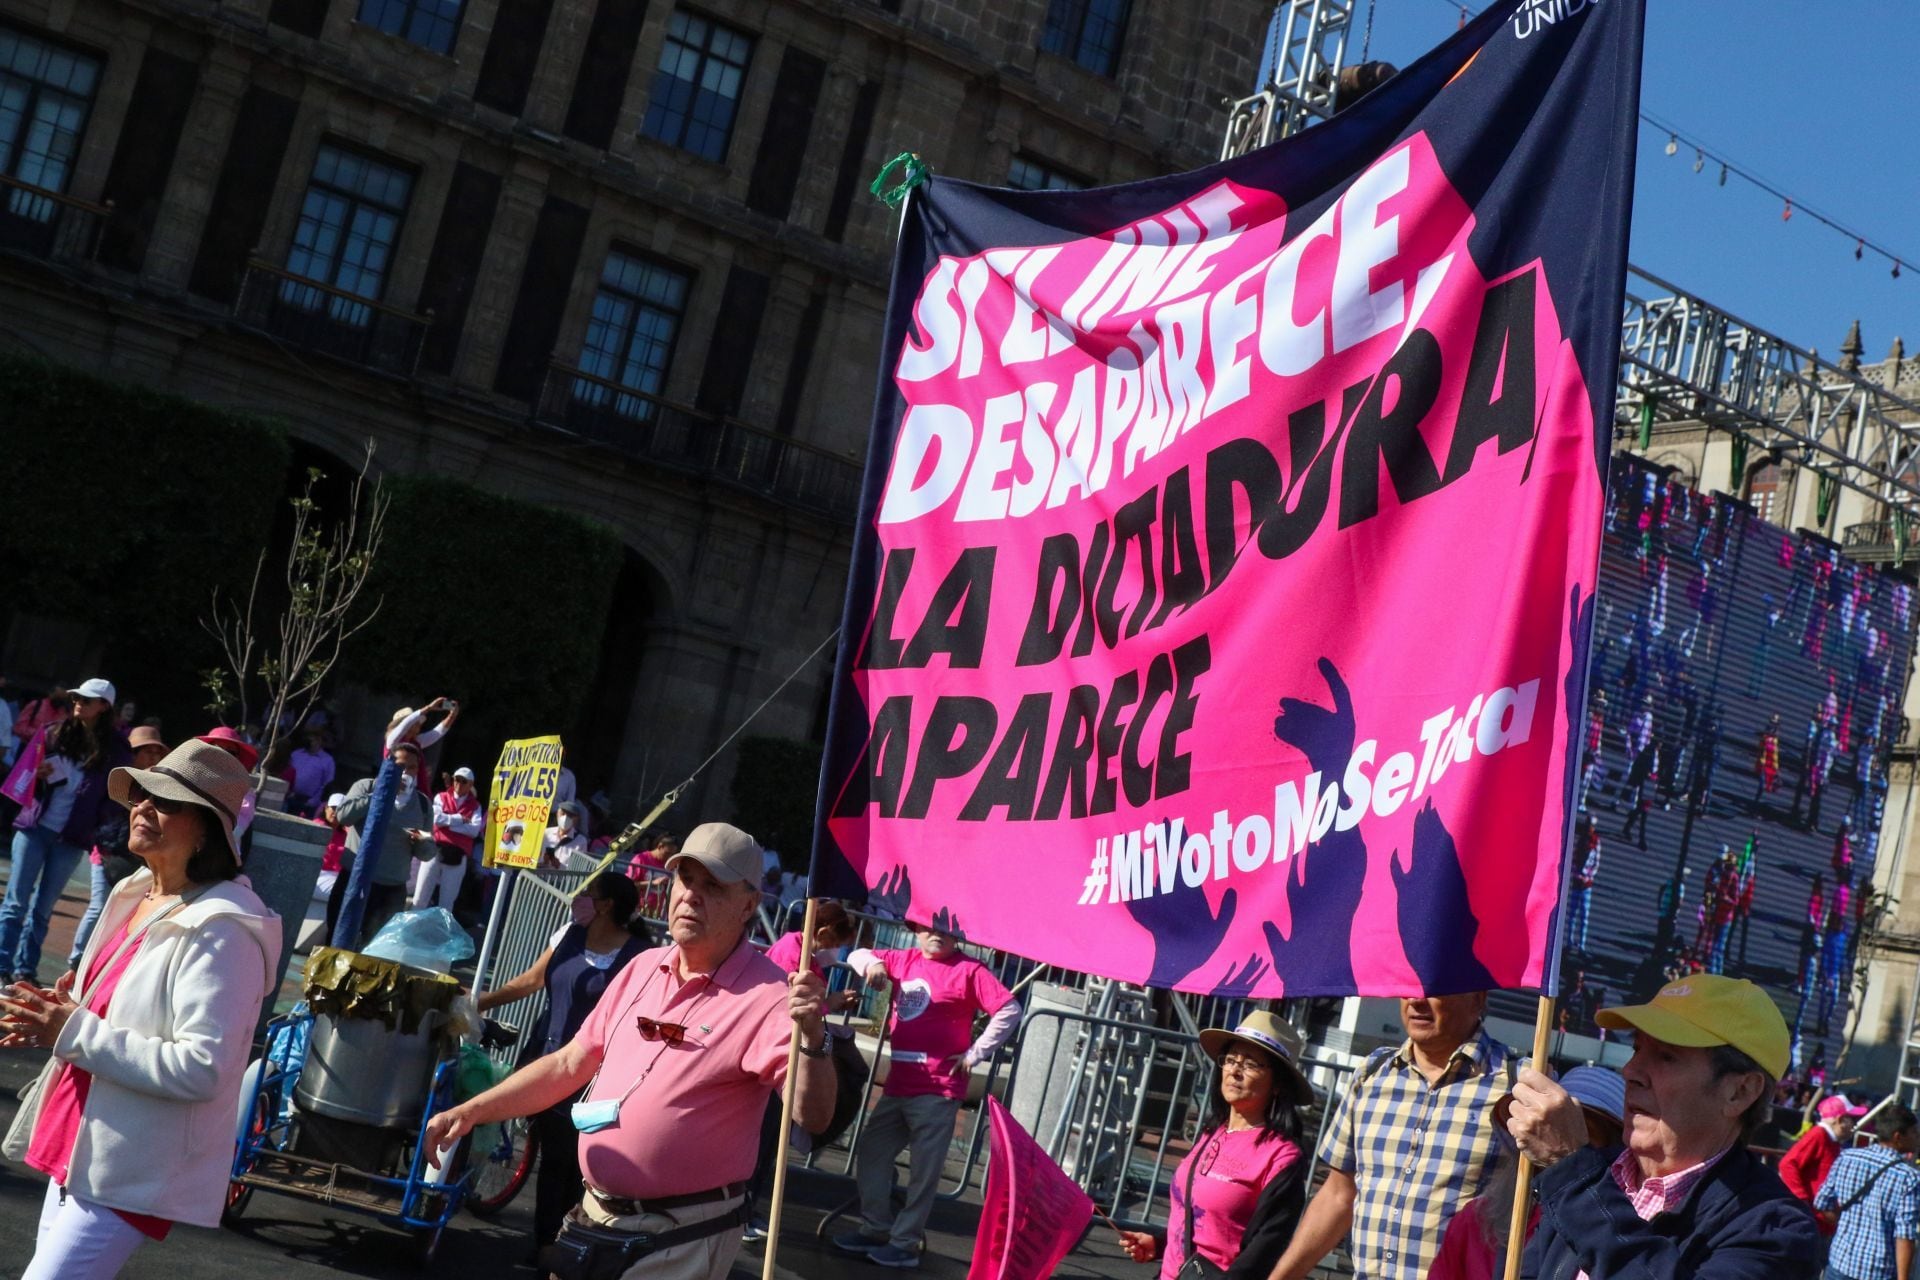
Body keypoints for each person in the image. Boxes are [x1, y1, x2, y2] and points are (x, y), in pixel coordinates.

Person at [423, 822, 836, 1280]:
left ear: (749, 905)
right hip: (593, 1217)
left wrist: (814, 1039)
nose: (692, 896)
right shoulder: (642, 965)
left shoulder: (772, 997)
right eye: (686, 879)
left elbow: (811, 1116)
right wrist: (473, 1111)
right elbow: (569, 1063)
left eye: (713, 886)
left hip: (682, 1235)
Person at [0, 739, 282, 1279]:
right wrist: (66, 1007)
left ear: (208, 830)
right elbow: (123, 1011)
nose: (143, 807)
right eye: (141, 795)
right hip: (80, 1142)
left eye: (166, 800)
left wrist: (73, 1028)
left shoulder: (224, 930)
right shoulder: (137, 893)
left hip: (131, 1166)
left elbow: (204, 1067)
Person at [1502, 973, 1822, 1278]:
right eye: (1637, 1049)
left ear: (1740, 1092)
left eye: (1667, 1057)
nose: (1631, 1071)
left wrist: (1572, 1172)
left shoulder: (1775, 1227)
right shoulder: (1599, 1175)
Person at [1264, 993, 1519, 1280]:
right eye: (1409, 986)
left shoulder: (1517, 1086)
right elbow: (1338, 1195)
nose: (1416, 1000)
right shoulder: (1373, 1074)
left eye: (1434, 989)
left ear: (1477, 999)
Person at [476, 871, 654, 1256]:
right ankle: (548, 1242)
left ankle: (560, 1244)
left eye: (589, 893)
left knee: (571, 1161)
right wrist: (480, 1001)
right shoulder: (569, 936)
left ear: (606, 906)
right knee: (553, 1154)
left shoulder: (638, 956)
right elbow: (531, 981)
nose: (580, 899)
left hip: (593, 1074)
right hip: (546, 1057)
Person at [835, 922, 1024, 1268]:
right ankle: (876, 1229)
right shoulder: (902, 959)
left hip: (938, 1091)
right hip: (899, 1086)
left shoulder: (970, 970)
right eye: (929, 926)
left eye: (947, 929)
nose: (937, 934)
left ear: (959, 934)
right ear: (916, 929)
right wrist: (872, 965)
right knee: (872, 1153)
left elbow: (1010, 1009)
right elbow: (858, 953)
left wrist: (974, 1054)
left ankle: (904, 1243)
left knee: (924, 1172)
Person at [1117, 1012, 1312, 1279]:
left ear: (1278, 1084)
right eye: (1231, 1060)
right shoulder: (1213, 1133)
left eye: (1251, 1064)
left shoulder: (1281, 1156)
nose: (1235, 1071)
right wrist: (1160, 1244)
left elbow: (1266, 1248)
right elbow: (1202, 1218)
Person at [1427, 1067, 1626, 1280]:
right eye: (1543, 1129)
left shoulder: (1621, 1237)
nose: (1550, 1144)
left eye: (1579, 1137)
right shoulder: (1476, 1220)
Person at [744, 902, 862, 1241]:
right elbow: (787, 1007)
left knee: (768, 1142)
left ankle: (747, 1208)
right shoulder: (792, 954)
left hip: (780, 1061)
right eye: (836, 940)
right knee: (763, 1140)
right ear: (823, 933)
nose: (836, 950)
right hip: (775, 1063)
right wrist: (832, 1003)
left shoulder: (798, 950)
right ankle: (744, 1210)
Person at [0, 679, 128, 984]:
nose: (79, 703)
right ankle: (3, 966)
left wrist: (97, 824)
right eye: (77, 697)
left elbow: (116, 795)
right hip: (35, 827)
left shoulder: (116, 750)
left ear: (104, 706)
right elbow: (23, 774)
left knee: (42, 909)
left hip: (72, 838)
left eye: (87, 699)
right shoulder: (54, 733)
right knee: (16, 903)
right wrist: (38, 775)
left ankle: (25, 970)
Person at [68, 726, 168, 970]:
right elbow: (102, 818)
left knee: (123, 912)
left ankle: (98, 963)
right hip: (104, 853)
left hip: (133, 860)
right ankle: (77, 960)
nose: (153, 757)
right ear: (133, 752)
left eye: (157, 752)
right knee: (99, 906)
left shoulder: (159, 786)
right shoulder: (118, 782)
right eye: (147, 751)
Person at [326, 741, 433, 946]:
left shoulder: (423, 805)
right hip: (354, 881)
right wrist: (382, 792)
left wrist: (419, 841)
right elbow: (344, 816)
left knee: (375, 950)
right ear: (389, 764)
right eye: (401, 765)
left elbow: (428, 852)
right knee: (336, 942)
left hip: (390, 890)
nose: (406, 772)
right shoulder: (366, 786)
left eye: (411, 767)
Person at [1816, 1102, 1920, 1280]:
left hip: (1839, 1262)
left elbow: (1821, 1202)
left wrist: (1844, 1225)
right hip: (1877, 1271)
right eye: (1914, 1133)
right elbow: (1904, 1235)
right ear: (1898, 1136)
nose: (1918, 1137)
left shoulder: (1847, 1157)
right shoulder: (1908, 1178)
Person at [1780, 1093, 1870, 1234]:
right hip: (1812, 1221)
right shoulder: (1818, 1135)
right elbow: (1788, 1164)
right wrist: (1802, 1201)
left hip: (1821, 1221)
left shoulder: (1831, 1141)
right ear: (1840, 1120)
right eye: (1851, 1119)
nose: (1853, 1125)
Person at [412, 765, 482, 910]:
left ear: (470, 785)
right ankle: (411, 930)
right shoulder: (441, 797)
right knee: (419, 898)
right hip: (435, 851)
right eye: (457, 779)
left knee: (446, 904)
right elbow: (436, 819)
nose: (459, 783)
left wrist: (448, 823)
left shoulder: (475, 806)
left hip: (457, 857)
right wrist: (460, 819)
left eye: (464, 781)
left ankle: (439, 932)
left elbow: (474, 830)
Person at [285, 726, 336, 818]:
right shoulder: (296, 754)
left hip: (309, 804)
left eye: (312, 739)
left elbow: (327, 784)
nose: (308, 741)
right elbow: (287, 772)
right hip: (289, 798)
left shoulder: (327, 760)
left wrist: (314, 801)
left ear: (319, 740)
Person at [543, 799, 592, 870]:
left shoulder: (580, 841)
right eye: (562, 814)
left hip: (559, 879)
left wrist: (559, 865)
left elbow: (576, 870)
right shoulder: (546, 832)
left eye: (570, 816)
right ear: (557, 814)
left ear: (577, 819)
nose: (565, 818)